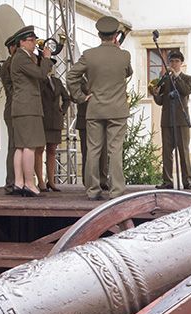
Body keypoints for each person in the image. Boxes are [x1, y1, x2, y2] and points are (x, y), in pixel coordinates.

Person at [67, 16, 133, 200]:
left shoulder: (89, 55)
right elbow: (128, 72)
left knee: (93, 151)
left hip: (95, 108)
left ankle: (93, 190)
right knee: (115, 150)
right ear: (115, 36)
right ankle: (117, 190)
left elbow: (71, 76)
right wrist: (118, 50)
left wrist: (80, 97)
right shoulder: (124, 55)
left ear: (99, 34)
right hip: (117, 110)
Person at [10, 25, 52, 197]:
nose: (34, 43)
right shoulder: (21, 57)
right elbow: (41, 74)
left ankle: (19, 182)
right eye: (31, 40)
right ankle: (29, 183)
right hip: (28, 107)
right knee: (29, 146)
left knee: (20, 147)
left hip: (22, 107)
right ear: (21, 42)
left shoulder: (22, 57)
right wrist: (47, 59)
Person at [150, 50, 191, 189]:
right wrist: (155, 94)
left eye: (176, 61)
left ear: (181, 63)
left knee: (183, 151)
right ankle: (167, 181)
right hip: (167, 120)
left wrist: (176, 76)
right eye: (172, 61)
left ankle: (187, 181)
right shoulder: (165, 79)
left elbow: (186, 90)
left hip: (181, 121)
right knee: (167, 152)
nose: (174, 64)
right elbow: (161, 101)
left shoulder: (188, 78)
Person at [37, 60, 71, 192]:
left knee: (52, 150)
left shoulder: (57, 81)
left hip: (55, 120)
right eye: (48, 65)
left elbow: (66, 98)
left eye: (52, 65)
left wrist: (62, 111)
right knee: (39, 149)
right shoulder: (39, 81)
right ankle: (40, 181)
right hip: (42, 119)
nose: (50, 67)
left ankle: (51, 181)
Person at [71, 77, 108, 190]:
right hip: (85, 118)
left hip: (101, 116)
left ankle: (102, 179)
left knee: (103, 151)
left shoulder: (100, 74)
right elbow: (73, 96)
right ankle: (89, 181)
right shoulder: (78, 79)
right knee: (87, 151)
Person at [0, 34, 18, 195]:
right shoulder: (10, 64)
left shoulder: (12, 63)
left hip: (15, 108)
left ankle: (16, 181)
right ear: (12, 48)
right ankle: (11, 182)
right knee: (14, 146)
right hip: (13, 108)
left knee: (18, 146)